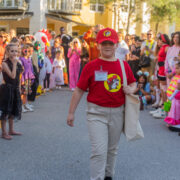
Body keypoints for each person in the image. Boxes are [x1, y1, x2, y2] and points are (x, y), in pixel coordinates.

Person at [67, 28, 136, 180]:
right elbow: (78, 90)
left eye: (110, 43)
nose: (107, 46)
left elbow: (133, 83)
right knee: (99, 151)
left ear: (116, 45)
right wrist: (71, 112)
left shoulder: (123, 65)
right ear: (97, 45)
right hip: (96, 113)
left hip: (118, 113)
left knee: (112, 149)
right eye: (103, 43)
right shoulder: (90, 66)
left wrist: (130, 89)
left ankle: (108, 175)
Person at [0, 43, 23, 140]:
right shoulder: (5, 63)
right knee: (6, 111)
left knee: (13, 110)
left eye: (16, 51)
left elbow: (18, 77)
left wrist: (19, 88)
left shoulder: (18, 62)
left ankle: (11, 130)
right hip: (6, 90)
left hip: (15, 89)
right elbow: (12, 76)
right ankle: (4, 132)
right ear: (7, 52)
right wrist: (14, 64)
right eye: (12, 51)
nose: (14, 53)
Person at [164, 61, 180, 127]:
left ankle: (176, 122)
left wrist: (172, 96)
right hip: (172, 95)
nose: (175, 70)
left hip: (176, 96)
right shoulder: (176, 76)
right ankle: (171, 121)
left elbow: (178, 89)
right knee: (170, 108)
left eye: (177, 68)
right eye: (175, 68)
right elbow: (172, 85)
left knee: (175, 108)